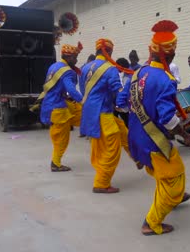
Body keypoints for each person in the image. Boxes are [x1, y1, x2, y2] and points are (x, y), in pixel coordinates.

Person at [117, 20, 190, 235]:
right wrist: (185, 135)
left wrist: (139, 114)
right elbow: (168, 118)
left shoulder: (136, 74)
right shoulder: (165, 80)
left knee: (168, 167)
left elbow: (121, 104)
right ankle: (151, 223)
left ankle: (175, 197)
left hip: (136, 138)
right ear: (169, 55)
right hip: (154, 141)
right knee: (175, 175)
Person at [79, 38, 135, 194]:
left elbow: (84, 91)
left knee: (122, 129)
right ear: (109, 51)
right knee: (111, 148)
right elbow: (117, 92)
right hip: (103, 113)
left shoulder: (84, 68)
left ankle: (136, 157)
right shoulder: (110, 69)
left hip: (90, 113)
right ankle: (101, 183)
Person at [32, 43, 83, 172]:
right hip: (58, 108)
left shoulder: (54, 66)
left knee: (59, 135)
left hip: (50, 105)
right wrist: (84, 101)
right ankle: (55, 163)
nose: (76, 60)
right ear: (68, 57)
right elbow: (71, 89)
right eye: (75, 57)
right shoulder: (67, 71)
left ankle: (56, 161)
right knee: (62, 138)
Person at [113, 57, 131, 127]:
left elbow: (124, 92)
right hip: (116, 103)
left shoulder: (127, 77)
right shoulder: (120, 75)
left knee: (127, 122)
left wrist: (120, 104)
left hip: (123, 104)